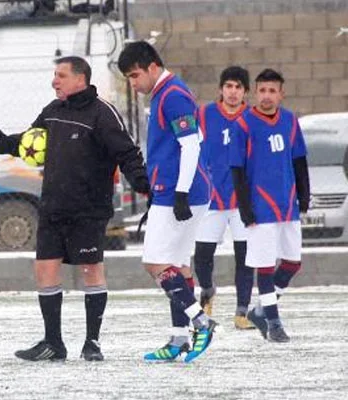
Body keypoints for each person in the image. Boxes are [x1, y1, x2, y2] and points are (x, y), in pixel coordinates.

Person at [0, 56, 151, 362]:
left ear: (80, 79)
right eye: (54, 75)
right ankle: (53, 343)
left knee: (91, 270)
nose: (54, 81)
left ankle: (92, 342)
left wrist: (141, 182)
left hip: (88, 209)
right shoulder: (53, 111)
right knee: (44, 269)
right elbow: (33, 141)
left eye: (60, 75)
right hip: (53, 205)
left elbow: (127, 152)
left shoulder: (102, 113)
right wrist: (7, 144)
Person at [117, 41, 216, 363]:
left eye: (135, 76)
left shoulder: (172, 95)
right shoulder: (167, 93)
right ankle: (178, 340)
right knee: (178, 265)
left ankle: (202, 322)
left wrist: (181, 193)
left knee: (155, 263)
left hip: (178, 193)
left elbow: (191, 146)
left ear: (153, 67)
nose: (134, 84)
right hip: (178, 190)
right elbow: (193, 140)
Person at [229, 68, 310, 342]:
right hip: (260, 206)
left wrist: (305, 194)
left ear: (281, 94)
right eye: (262, 90)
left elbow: (299, 160)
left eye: (272, 91)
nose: (267, 96)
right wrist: (244, 206)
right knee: (264, 265)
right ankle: (274, 323)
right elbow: (237, 170)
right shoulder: (244, 124)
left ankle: (261, 310)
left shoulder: (290, 121)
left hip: (287, 203)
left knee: (292, 263)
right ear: (255, 93)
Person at [194, 66, 256, 330]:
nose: (233, 92)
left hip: (244, 199)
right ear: (221, 89)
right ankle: (207, 290)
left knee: (245, 257)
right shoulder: (205, 114)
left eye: (238, 87)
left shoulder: (253, 117)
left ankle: (242, 312)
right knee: (202, 256)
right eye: (228, 86)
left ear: (245, 92)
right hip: (212, 197)